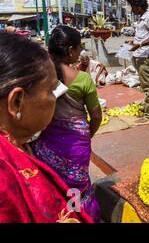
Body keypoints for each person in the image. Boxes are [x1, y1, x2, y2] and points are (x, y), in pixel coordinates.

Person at [0, 33, 93, 223]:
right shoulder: (5, 178)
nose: (56, 97)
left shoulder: (20, 146)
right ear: (17, 102)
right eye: (51, 90)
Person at [30, 26, 103, 222]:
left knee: (52, 185)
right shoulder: (83, 79)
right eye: (79, 48)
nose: (80, 52)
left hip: (47, 141)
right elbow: (96, 115)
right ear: (71, 50)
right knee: (77, 189)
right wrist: (88, 134)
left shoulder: (42, 74)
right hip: (76, 144)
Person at [126, 0, 149, 123]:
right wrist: (133, 42)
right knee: (145, 85)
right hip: (139, 55)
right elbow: (143, 36)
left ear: (138, 6)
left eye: (133, 6)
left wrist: (139, 45)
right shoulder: (141, 19)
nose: (132, 10)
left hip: (145, 57)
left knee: (148, 86)